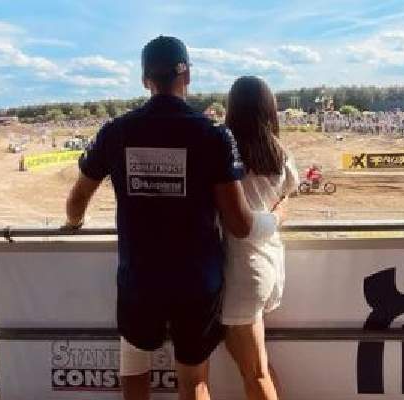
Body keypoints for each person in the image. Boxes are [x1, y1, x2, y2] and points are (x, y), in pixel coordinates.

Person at [64, 36, 282, 400]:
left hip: (139, 279)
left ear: (145, 79)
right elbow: (240, 224)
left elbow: (77, 198)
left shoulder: (116, 131)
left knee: (134, 371)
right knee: (194, 382)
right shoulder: (213, 134)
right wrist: (275, 218)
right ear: (187, 76)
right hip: (197, 283)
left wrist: (73, 224)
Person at [222, 76, 298, 400]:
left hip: (242, 271)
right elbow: (287, 197)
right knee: (258, 368)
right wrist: (276, 215)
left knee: (255, 373)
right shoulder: (278, 152)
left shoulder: (226, 152)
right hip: (269, 264)